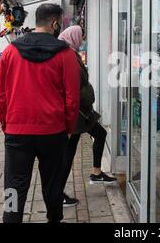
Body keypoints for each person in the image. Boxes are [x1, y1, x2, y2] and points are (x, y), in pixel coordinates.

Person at [0, 4, 80, 223]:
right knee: (53, 184)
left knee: (13, 186)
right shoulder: (66, 54)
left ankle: (10, 219)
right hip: (53, 132)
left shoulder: (11, 52)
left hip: (17, 131)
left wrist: (7, 126)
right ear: (54, 23)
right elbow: (72, 98)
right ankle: (54, 218)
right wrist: (68, 129)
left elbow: (1, 95)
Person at [58, 25, 116, 208]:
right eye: (81, 37)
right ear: (73, 37)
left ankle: (96, 173)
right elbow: (71, 86)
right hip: (76, 112)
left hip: (82, 111)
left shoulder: (70, 53)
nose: (83, 40)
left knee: (99, 134)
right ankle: (57, 193)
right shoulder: (68, 56)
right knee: (68, 154)